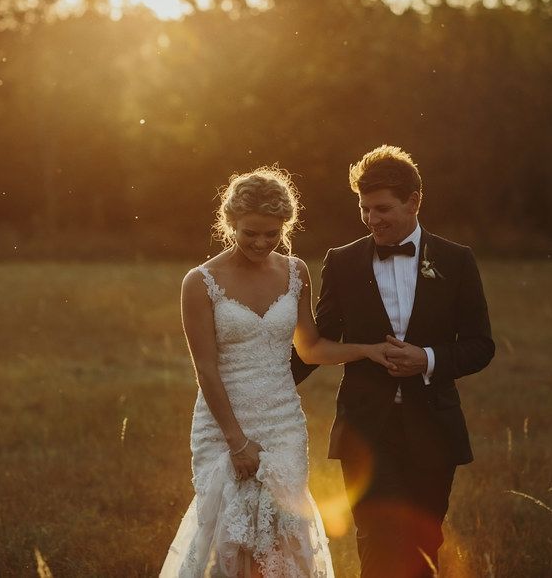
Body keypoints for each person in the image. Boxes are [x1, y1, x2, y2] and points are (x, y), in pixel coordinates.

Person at [159, 166, 394, 578]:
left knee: (280, 535)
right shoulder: (200, 282)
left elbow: (311, 347)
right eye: (251, 232)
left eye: (273, 233)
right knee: (230, 536)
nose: (262, 242)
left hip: (282, 420)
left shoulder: (295, 271)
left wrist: (368, 351)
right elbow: (207, 370)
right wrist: (236, 441)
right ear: (230, 222)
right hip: (224, 423)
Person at [291, 145, 495, 578]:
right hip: (366, 430)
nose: (371, 219)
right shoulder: (342, 262)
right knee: (378, 543)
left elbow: (480, 345)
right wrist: (260, 386)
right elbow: (320, 338)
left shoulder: (457, 260)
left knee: (424, 544)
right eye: (364, 209)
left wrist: (427, 359)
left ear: (414, 201)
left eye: (382, 208)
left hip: (434, 427)